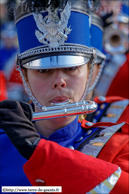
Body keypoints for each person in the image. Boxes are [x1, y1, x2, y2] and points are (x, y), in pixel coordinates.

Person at [0, 0, 129, 193]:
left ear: (90, 70)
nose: (59, 81)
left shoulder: (118, 145)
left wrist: (38, 150)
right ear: (24, 75)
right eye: (43, 71)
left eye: (71, 68)